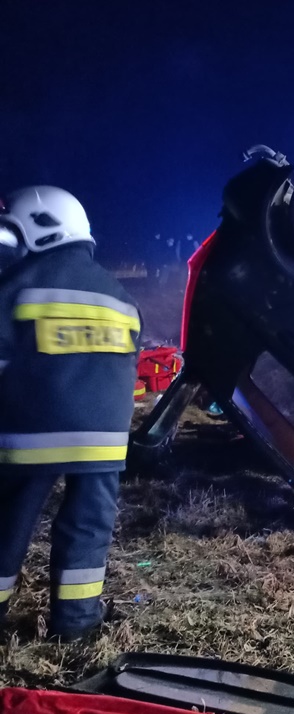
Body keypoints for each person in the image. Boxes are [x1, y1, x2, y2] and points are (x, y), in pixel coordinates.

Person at [0, 186, 142, 642]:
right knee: (89, 526)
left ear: (41, 231)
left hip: (28, 432)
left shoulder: (16, 287)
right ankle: (77, 625)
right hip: (104, 439)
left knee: (8, 521)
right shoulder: (117, 291)